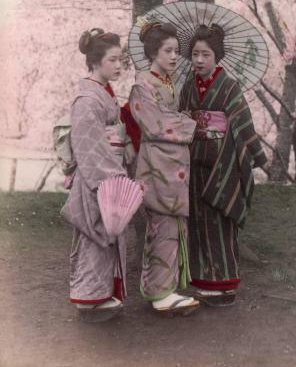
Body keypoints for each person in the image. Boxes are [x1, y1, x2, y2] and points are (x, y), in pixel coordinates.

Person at [179, 24, 267, 307]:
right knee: (197, 218)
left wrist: (257, 156)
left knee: (219, 217)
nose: (199, 60)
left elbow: (242, 121)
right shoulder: (188, 86)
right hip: (194, 156)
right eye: (195, 54)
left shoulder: (229, 86)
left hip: (222, 158)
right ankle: (203, 280)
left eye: (206, 54)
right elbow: (181, 117)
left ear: (217, 56)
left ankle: (225, 282)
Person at [129, 21, 199, 316]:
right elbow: (156, 123)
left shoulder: (166, 82)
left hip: (170, 164)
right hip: (157, 164)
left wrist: (183, 117)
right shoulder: (142, 84)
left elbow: (168, 117)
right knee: (162, 227)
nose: (174, 57)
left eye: (176, 51)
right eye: (168, 51)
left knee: (172, 226)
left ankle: (166, 287)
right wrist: (194, 124)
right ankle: (160, 293)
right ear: (153, 52)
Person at [61, 28, 128, 321]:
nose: (118, 65)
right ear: (96, 61)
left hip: (106, 168)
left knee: (105, 237)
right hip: (95, 175)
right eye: (112, 60)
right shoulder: (86, 99)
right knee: (94, 236)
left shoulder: (101, 93)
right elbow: (87, 145)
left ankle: (97, 295)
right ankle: (88, 299)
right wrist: (110, 176)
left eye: (120, 59)